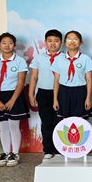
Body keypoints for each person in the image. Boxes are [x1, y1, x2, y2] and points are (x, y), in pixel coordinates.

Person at [0, 32, 30, 167]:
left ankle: (15, 154)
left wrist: (12, 100)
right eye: (4, 43)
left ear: (14, 45)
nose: (7, 45)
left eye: (10, 43)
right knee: (3, 127)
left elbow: (21, 82)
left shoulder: (20, 61)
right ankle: (6, 153)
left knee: (13, 125)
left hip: (15, 95)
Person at [28, 29, 63, 160]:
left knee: (60, 121)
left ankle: (60, 150)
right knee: (47, 122)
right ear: (45, 42)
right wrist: (31, 94)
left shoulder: (65, 57)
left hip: (61, 93)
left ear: (61, 42)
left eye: (56, 41)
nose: (53, 43)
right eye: (50, 41)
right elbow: (34, 77)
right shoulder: (39, 58)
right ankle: (48, 150)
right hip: (43, 93)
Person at [52, 30, 92, 120]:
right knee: (65, 121)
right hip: (64, 92)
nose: (72, 42)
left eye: (75, 39)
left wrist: (88, 98)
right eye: (69, 39)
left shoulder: (85, 59)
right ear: (64, 42)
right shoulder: (59, 59)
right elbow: (56, 80)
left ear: (81, 42)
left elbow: (89, 80)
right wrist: (55, 99)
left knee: (80, 121)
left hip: (80, 92)